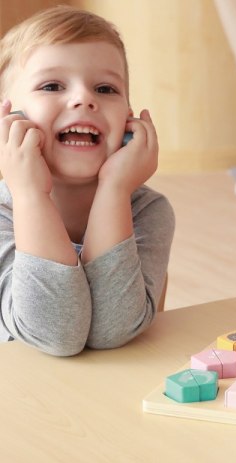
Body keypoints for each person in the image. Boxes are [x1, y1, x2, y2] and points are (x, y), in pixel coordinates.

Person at [0, 6, 175, 355]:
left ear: (128, 122)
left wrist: (115, 189)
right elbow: (54, 334)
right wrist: (30, 195)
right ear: (9, 120)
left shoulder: (148, 210)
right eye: (52, 85)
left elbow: (114, 330)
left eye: (105, 88)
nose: (84, 99)